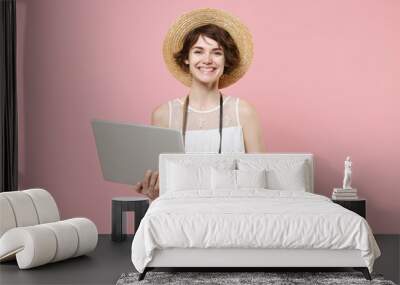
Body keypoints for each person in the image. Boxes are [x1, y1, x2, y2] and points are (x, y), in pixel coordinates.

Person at [134, 8, 265, 200]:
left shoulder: (243, 112)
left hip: (234, 212)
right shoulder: (163, 114)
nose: (207, 60)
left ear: (226, 60)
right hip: (180, 215)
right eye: (198, 51)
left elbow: (259, 179)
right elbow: (159, 186)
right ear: (186, 58)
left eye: (217, 52)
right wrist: (151, 191)